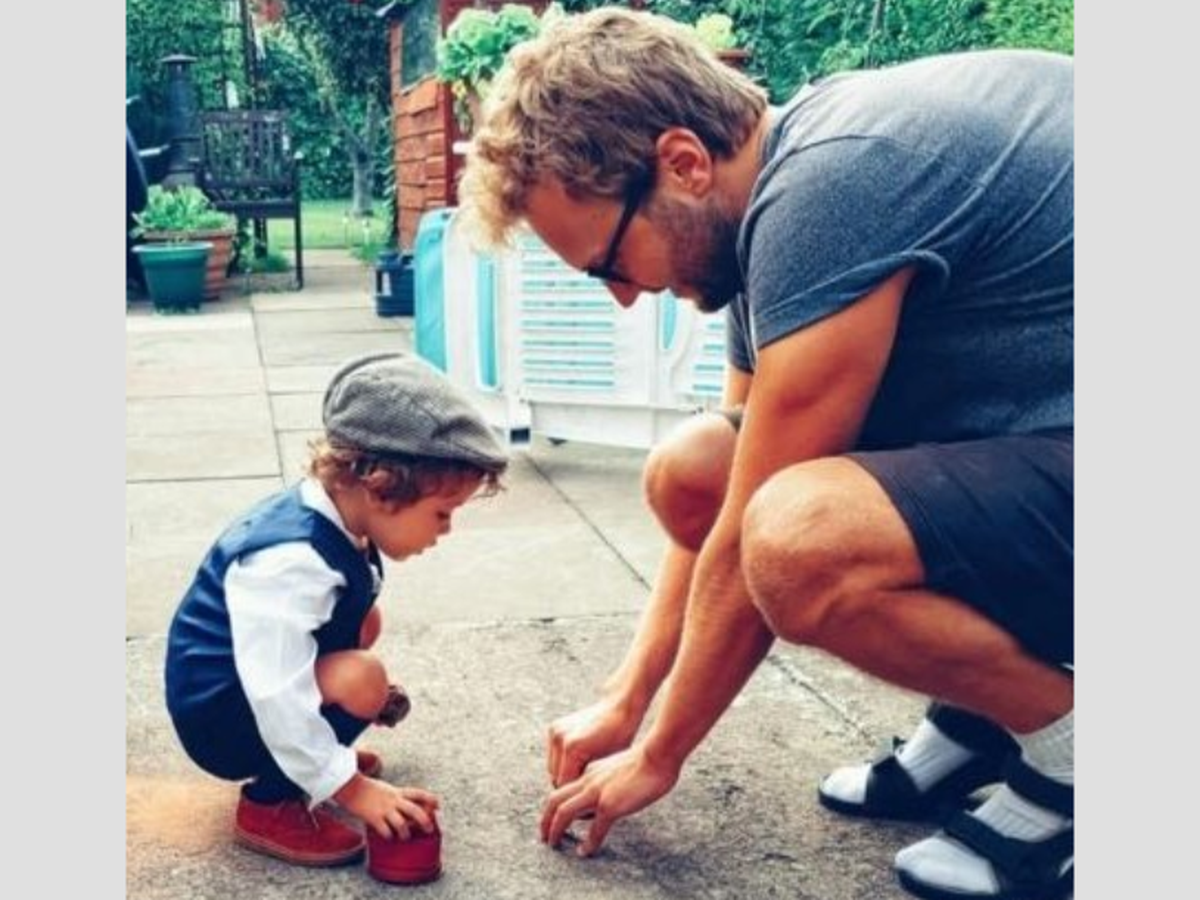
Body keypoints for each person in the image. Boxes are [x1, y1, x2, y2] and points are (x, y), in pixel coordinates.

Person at [457, 7, 1073, 900]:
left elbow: (760, 533)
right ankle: (992, 711)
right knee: (697, 470)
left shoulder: (836, 186)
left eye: (609, 264)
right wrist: (629, 700)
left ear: (682, 163)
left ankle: (1080, 749)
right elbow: (727, 491)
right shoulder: (768, 203)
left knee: (799, 540)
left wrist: (660, 755)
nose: (625, 299)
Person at [164, 352, 508, 867]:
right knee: (362, 678)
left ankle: (311, 757)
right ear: (381, 486)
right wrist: (349, 787)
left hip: (246, 686)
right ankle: (269, 802)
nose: (446, 530)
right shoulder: (291, 561)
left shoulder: (342, 519)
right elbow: (276, 691)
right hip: (222, 719)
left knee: (366, 620)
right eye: (442, 513)